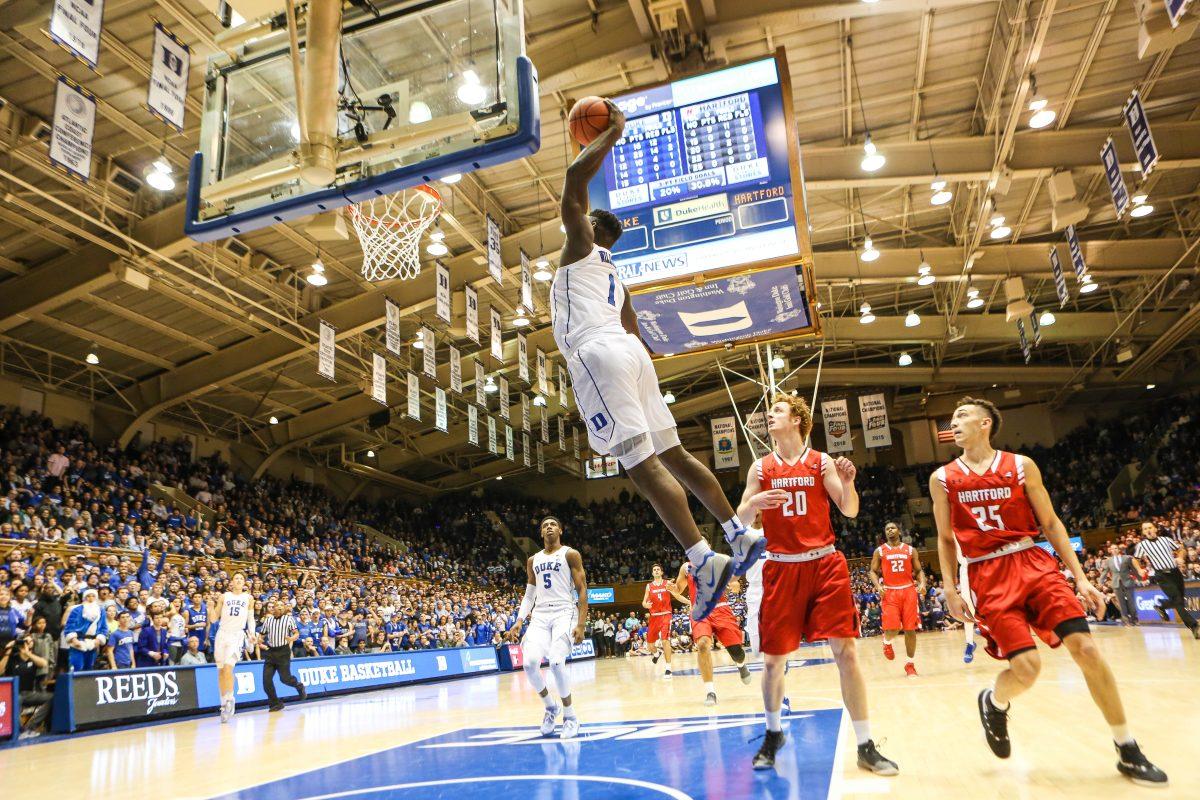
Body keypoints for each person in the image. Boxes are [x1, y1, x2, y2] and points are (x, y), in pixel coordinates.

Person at [552, 98, 764, 620]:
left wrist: (610, 133)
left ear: (591, 228)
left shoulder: (579, 245)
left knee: (641, 466)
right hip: (632, 355)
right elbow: (635, 332)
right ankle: (737, 535)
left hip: (597, 354)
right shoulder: (614, 277)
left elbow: (574, 181)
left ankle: (701, 557)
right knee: (674, 455)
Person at [929, 397, 1167, 786]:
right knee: (1027, 669)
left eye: (961, 416)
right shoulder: (941, 478)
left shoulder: (1022, 466)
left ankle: (1127, 747)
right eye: (952, 418)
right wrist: (950, 587)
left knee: (1086, 649)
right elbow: (943, 537)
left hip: (1033, 562)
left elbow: (1052, 524)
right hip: (986, 573)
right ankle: (994, 702)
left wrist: (1081, 578)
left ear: (985, 423)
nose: (953, 423)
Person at [736, 394, 897, 775]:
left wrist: (848, 482)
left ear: (797, 419)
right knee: (774, 662)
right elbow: (740, 518)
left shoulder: (821, 461)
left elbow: (849, 509)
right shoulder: (760, 467)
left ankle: (864, 744)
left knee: (847, 654)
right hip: (781, 567)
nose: (769, 417)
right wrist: (756, 500)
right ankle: (773, 734)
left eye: (776, 411)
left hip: (825, 563)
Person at [505, 516, 588, 739]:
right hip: (540, 615)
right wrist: (520, 620)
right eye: (544, 526)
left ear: (560, 530)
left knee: (556, 661)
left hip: (564, 611)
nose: (549, 527)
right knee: (530, 664)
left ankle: (570, 717)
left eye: (552, 524)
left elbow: (582, 590)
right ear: (541, 533)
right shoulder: (533, 560)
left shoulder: (570, 554)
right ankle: (551, 707)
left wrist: (581, 624)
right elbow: (530, 592)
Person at [677, 563, 751, 705]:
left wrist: (734, 586)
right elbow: (679, 588)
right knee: (703, 645)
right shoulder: (686, 568)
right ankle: (710, 692)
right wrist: (673, 589)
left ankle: (741, 665)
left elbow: (734, 582)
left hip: (721, 609)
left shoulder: (718, 562)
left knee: (737, 652)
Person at [869, 522, 926, 677]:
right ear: (885, 533)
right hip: (890, 592)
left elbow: (919, 570)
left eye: (892, 528)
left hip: (908, 590)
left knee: (910, 630)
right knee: (893, 628)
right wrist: (878, 586)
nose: (890, 530)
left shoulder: (910, 550)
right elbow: (873, 572)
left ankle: (910, 664)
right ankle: (887, 643)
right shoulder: (879, 551)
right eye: (887, 529)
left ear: (899, 531)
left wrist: (922, 583)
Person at [1132, 521, 1198, 637]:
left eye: (1150, 527)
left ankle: (1161, 606)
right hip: (1162, 575)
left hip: (1175, 572)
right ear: (1143, 532)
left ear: (1155, 529)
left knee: (1180, 601)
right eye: (1145, 529)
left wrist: (1180, 557)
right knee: (1177, 599)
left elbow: (1181, 549)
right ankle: (1193, 626)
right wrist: (1139, 569)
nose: (1148, 530)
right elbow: (1135, 559)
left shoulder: (1166, 540)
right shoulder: (1142, 545)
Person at [213, 572, 255, 723]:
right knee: (220, 671)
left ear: (244, 582)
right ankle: (223, 702)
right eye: (236, 578)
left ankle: (230, 698)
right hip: (221, 634)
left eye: (241, 578)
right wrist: (210, 607)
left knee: (228, 668)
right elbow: (213, 618)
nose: (238, 580)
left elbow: (251, 618)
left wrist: (252, 633)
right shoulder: (224, 597)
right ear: (231, 582)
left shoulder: (248, 598)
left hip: (236, 636)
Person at [259, 600, 307, 712]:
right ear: (273, 608)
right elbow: (261, 635)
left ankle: (299, 686)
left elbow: (296, 633)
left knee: (285, 679)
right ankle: (275, 703)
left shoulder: (289, 619)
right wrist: (257, 640)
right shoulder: (268, 620)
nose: (280, 607)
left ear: (284, 608)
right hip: (271, 652)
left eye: (282, 605)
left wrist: (292, 638)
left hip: (283, 651)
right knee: (266, 681)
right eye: (277, 605)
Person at [1, 636, 52, 738]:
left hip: (29, 693)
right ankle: (20, 731)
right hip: (13, 693)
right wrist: (8, 650)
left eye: (30, 641)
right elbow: (1, 670)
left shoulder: (33, 657)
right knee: (17, 699)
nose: (27, 643)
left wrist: (27, 653)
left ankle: (31, 727)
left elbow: (44, 664)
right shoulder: (12, 658)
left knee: (53, 697)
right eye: (25, 641)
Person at [643, 563, 688, 676]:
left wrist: (689, 602)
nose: (657, 571)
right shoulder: (649, 586)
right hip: (654, 617)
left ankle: (668, 668)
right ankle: (656, 654)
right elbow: (644, 602)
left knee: (664, 640)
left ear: (662, 572)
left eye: (658, 569)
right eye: (655, 570)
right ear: (652, 573)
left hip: (666, 615)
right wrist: (645, 605)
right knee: (650, 645)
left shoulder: (667, 583)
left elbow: (677, 595)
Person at [63, 588, 107, 672]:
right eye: (88, 596)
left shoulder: (101, 611)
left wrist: (98, 640)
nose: (90, 598)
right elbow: (69, 626)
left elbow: (104, 628)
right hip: (78, 642)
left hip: (93, 643)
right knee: (76, 666)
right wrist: (74, 639)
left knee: (89, 668)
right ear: (85, 598)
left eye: (93, 596)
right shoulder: (77, 610)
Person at [743, 516, 768, 656]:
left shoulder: (773, 528)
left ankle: (778, 655)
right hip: (754, 584)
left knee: (776, 621)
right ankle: (757, 655)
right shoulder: (743, 533)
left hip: (773, 583)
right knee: (753, 622)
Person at [1101, 542, 1139, 627]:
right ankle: (1126, 621)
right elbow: (1105, 572)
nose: (1114, 550)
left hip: (1128, 582)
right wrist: (1100, 582)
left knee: (1131, 602)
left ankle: (1135, 619)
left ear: (1119, 550)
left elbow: (1133, 569)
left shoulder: (1126, 558)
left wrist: (1139, 578)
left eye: (1115, 548)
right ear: (1110, 551)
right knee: (1121, 603)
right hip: (1116, 583)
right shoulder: (1108, 561)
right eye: (1112, 549)